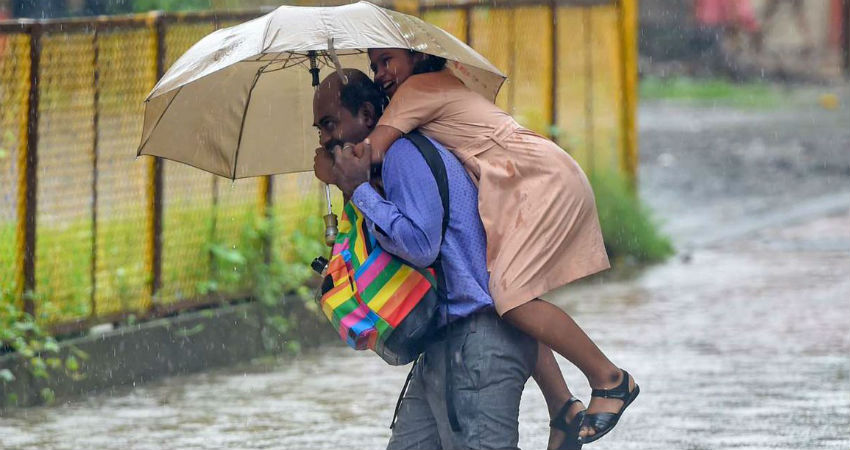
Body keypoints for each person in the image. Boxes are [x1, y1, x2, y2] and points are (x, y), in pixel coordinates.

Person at [343, 48, 640, 446]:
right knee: (506, 291)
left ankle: (609, 378)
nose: (381, 73)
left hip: (537, 179)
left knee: (512, 298)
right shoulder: (429, 90)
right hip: (515, 185)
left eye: (388, 60)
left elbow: (369, 153)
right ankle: (562, 406)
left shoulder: (414, 90)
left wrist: (340, 167)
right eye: (374, 65)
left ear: (418, 56)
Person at [312, 69, 538, 450]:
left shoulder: (404, 154)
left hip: (476, 342)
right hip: (443, 344)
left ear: (367, 116)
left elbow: (419, 246)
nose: (326, 139)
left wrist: (356, 187)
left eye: (331, 124)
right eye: (320, 130)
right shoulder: (382, 171)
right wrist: (352, 188)